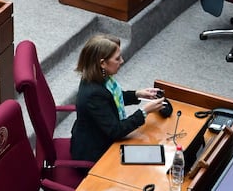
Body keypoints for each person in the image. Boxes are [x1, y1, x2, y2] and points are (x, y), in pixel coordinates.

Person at [70, 34, 165, 163]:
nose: (122, 61)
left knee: (154, 150)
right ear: (102, 63)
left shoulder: (98, 77)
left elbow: (111, 100)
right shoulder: (93, 94)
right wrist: (144, 112)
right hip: (96, 152)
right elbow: (116, 131)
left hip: (102, 135)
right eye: (117, 59)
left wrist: (138, 94)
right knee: (149, 159)